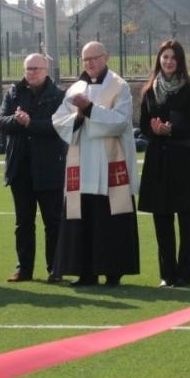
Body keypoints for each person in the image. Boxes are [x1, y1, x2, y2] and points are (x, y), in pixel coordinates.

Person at [52, 41, 140, 286]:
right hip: (80, 164)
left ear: (106, 57)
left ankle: (113, 271)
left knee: (110, 218)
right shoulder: (75, 89)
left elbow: (120, 121)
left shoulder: (119, 86)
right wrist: (79, 116)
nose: (89, 63)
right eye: (85, 59)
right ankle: (85, 271)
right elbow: (58, 120)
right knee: (81, 217)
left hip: (109, 161)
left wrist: (90, 109)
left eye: (94, 58)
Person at [138, 39, 190, 287]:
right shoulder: (149, 91)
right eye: (164, 57)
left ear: (180, 62)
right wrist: (155, 130)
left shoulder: (189, 89)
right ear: (159, 60)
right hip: (157, 161)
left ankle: (185, 273)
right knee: (162, 219)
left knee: (187, 220)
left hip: (183, 161)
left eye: (173, 58)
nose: (168, 62)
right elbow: (144, 125)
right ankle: (167, 274)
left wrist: (171, 130)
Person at [0, 53, 67, 282]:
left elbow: (59, 127)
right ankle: (24, 269)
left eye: (36, 68)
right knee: (23, 223)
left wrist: (30, 124)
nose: (32, 73)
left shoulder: (58, 96)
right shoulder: (14, 92)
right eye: (28, 69)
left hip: (49, 167)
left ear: (46, 70)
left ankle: (55, 269)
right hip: (21, 168)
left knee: (53, 222)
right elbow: (0, 122)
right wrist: (16, 121)